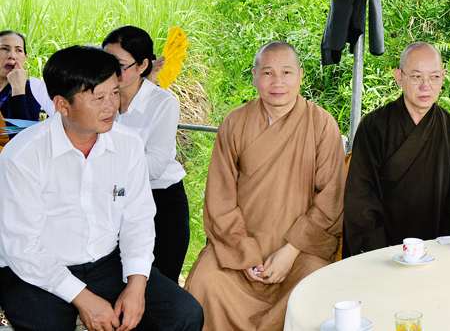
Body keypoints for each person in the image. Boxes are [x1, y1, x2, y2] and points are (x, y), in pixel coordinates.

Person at [0, 45, 203, 331]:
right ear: (62, 104)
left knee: (185, 314)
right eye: (98, 98)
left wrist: (136, 284)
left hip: (107, 263)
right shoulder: (23, 155)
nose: (111, 106)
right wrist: (84, 299)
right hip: (37, 271)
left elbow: (138, 220)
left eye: (115, 93)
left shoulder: (128, 144)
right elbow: (22, 247)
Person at [184, 41, 346, 331]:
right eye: (268, 72)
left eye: (286, 72)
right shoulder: (235, 123)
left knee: (316, 283)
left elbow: (331, 198)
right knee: (206, 280)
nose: (277, 82)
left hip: (301, 250)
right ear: (255, 76)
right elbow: (220, 198)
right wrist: (244, 254)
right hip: (241, 246)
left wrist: (290, 252)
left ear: (300, 75)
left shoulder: (322, 124)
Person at [344, 42, 450, 256]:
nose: (426, 86)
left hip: (437, 252)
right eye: (416, 76)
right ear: (399, 77)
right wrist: (379, 255)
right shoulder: (374, 126)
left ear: (443, 77)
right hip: (383, 252)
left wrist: (443, 253)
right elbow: (361, 200)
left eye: (434, 77)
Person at [103, 26, 190, 283]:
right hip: (114, 198)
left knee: (160, 285)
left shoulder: (162, 103)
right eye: (105, 62)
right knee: (116, 282)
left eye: (120, 65)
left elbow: (154, 167)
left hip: (161, 201)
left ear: (143, 65)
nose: (110, 72)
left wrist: (105, 164)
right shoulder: (99, 100)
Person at [0, 31, 41, 128]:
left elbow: (23, 132)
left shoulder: (33, 90)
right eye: (4, 48)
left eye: (18, 50)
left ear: (25, 58)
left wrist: (18, 88)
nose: (12, 56)